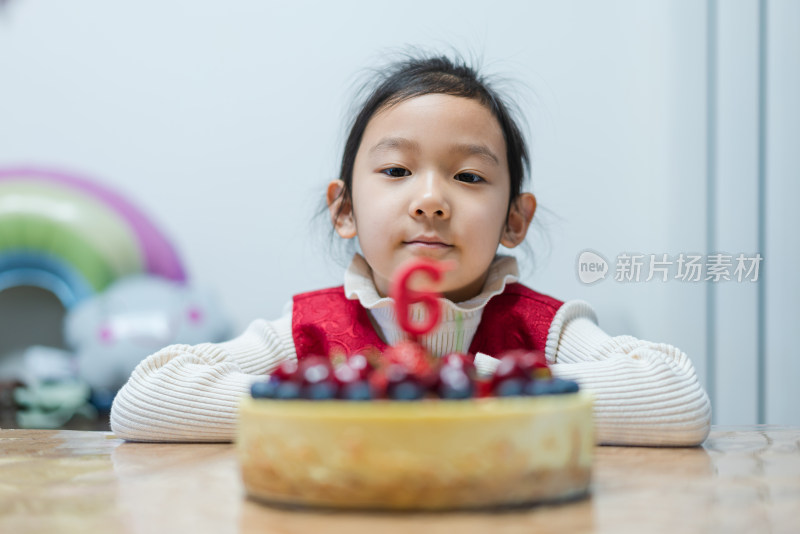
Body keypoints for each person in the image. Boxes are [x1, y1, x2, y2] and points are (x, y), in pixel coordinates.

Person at [110, 53, 711, 445]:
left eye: (469, 178)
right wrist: (343, 394)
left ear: (515, 220)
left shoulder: (546, 332)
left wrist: (459, 384)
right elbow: (140, 403)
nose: (430, 200)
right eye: (397, 170)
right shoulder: (306, 335)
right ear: (343, 209)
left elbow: (678, 397)